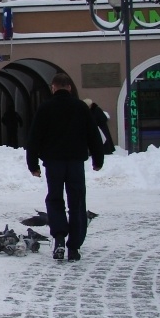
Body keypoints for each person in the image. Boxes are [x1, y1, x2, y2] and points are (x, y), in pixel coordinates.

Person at [26, 73, 104, 262]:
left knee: (54, 199)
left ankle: (59, 238)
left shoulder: (45, 108)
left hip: (53, 163)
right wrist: (97, 159)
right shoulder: (80, 108)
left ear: (53, 88)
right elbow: (93, 134)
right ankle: (74, 247)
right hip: (75, 162)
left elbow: (34, 137)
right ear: (69, 87)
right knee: (76, 202)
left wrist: (33, 164)